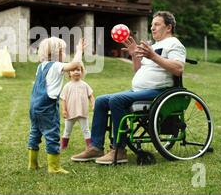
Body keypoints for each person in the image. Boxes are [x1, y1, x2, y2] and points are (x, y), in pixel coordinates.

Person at [71, 11, 186, 165]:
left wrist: (153, 56)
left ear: (169, 27)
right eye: (152, 25)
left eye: (157, 24)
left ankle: (119, 150)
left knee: (117, 100)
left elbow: (178, 68)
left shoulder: (174, 44)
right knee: (101, 100)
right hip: (140, 91)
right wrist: (134, 55)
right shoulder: (153, 45)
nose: (152, 28)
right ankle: (96, 147)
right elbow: (139, 72)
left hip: (159, 92)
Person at [28, 37, 86, 174]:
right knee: (52, 134)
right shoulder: (56, 65)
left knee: (35, 133)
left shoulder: (41, 66)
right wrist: (79, 51)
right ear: (57, 53)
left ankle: (32, 163)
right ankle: (54, 167)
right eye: (64, 51)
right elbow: (75, 64)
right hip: (47, 106)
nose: (65, 54)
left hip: (34, 106)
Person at [60, 62, 95, 150]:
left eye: (78, 70)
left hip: (82, 112)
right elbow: (63, 99)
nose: (76, 72)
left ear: (82, 72)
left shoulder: (84, 85)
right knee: (67, 130)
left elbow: (91, 95)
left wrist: (93, 104)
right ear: (69, 73)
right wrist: (64, 110)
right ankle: (63, 145)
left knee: (86, 130)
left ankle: (90, 146)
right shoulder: (67, 86)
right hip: (70, 112)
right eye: (73, 70)